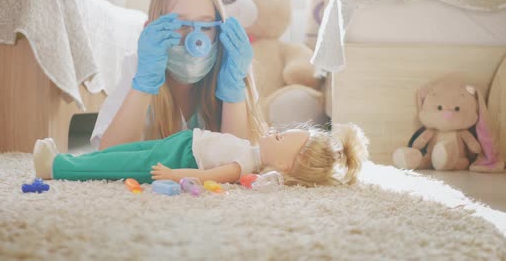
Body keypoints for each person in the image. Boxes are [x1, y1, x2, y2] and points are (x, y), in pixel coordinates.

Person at [91, 0, 265, 150]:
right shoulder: (139, 67)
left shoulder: (232, 66)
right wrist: (145, 84)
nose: (194, 38)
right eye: (180, 25)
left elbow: (237, 156)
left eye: (205, 27)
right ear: (150, 31)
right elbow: (108, 154)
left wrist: (232, 89)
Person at [33, 123, 369, 187]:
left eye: (278, 136)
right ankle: (69, 158)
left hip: (181, 159)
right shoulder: (251, 151)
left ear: (282, 163)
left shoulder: (244, 165)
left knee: (119, 165)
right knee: (118, 151)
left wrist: (173, 175)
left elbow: (209, 177)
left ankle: (56, 167)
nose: (271, 132)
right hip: (180, 142)